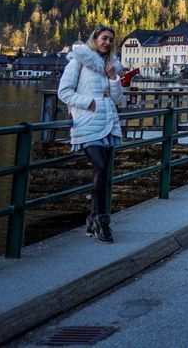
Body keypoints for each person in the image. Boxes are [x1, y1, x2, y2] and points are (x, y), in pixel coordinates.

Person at [57, 26, 126, 244]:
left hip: (108, 124)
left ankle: (93, 219)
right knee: (102, 166)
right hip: (86, 123)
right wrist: (90, 103)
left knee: (105, 171)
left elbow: (115, 99)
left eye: (110, 40)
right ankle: (102, 221)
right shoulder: (78, 60)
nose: (107, 42)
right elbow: (64, 92)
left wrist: (114, 78)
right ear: (95, 39)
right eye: (104, 38)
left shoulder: (112, 66)